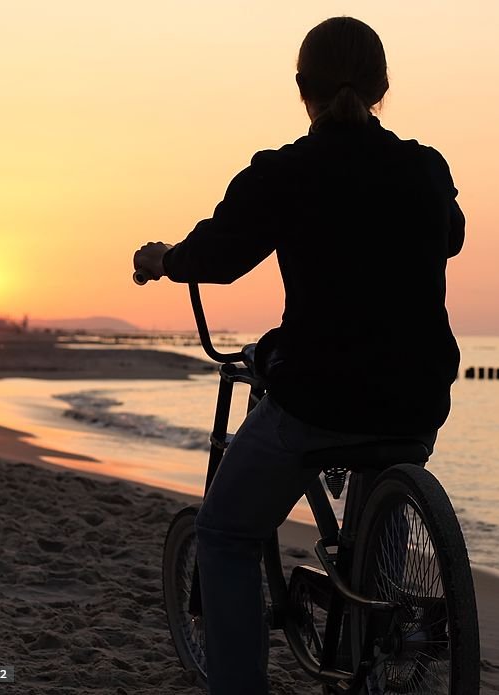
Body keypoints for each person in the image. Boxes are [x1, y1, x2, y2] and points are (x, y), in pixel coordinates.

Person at [132, 17, 464, 695]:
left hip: (321, 394)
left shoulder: (285, 172)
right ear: (383, 88)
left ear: (300, 89)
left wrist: (163, 260)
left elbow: (218, 255)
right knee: (387, 466)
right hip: (417, 394)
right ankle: (374, 614)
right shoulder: (424, 168)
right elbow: (452, 236)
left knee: (224, 534)